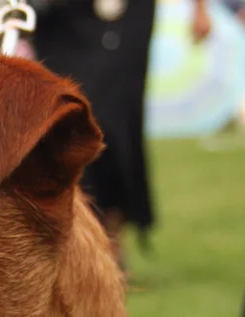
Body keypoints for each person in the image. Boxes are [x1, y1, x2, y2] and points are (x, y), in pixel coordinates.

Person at [30, 0, 210, 272]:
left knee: (114, 116)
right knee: (69, 115)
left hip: (126, 13)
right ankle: (79, 237)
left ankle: (110, 231)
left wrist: (199, 8)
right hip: (61, 16)